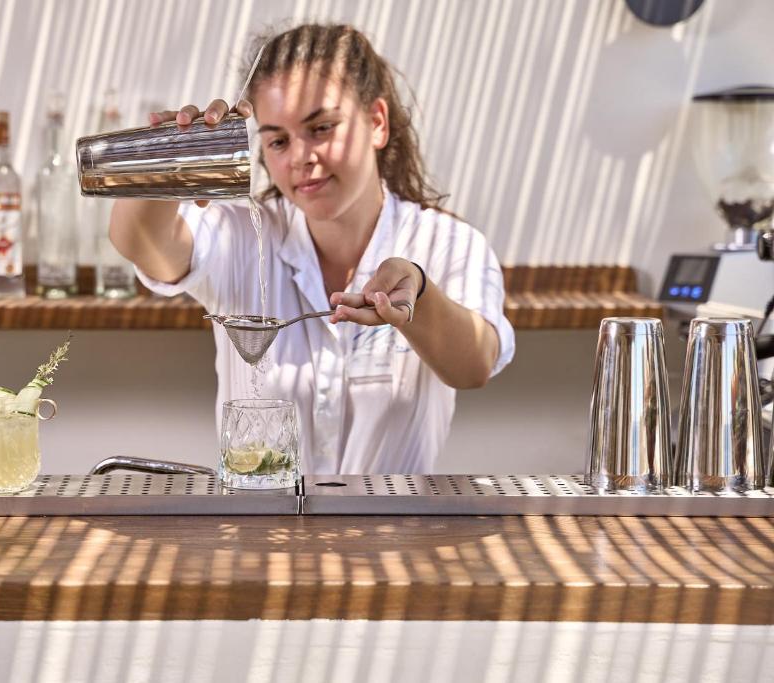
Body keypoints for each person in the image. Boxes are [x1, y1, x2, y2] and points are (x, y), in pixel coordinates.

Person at [110, 24, 515, 474]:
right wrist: (166, 160)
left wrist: (419, 293)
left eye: (321, 128)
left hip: (395, 520)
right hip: (258, 517)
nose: (301, 156)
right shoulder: (242, 235)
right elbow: (140, 241)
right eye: (278, 141)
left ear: (377, 123)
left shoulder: (449, 244)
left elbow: (474, 365)